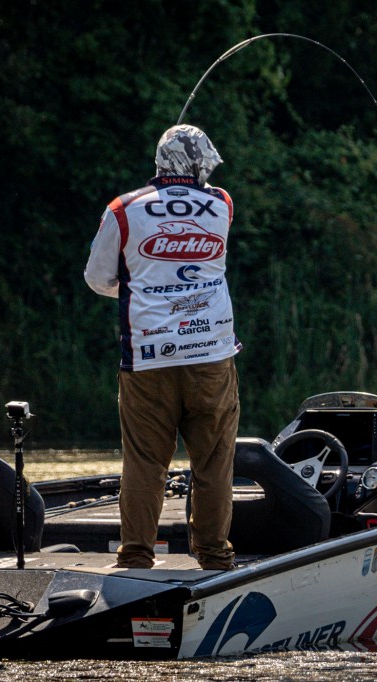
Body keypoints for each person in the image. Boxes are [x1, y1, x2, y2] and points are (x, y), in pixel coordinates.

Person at [84, 124, 241, 570]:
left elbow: (97, 278)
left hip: (147, 358)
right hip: (211, 357)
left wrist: (139, 289)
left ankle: (136, 555)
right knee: (213, 461)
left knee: (144, 462)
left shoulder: (122, 209)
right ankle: (214, 555)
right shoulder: (222, 204)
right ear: (197, 165)